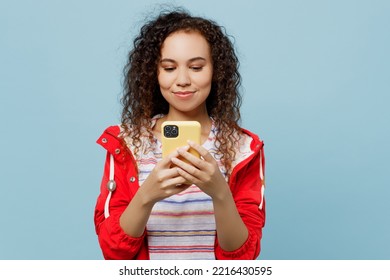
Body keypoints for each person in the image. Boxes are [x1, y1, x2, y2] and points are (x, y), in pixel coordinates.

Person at [94, 9, 266, 260]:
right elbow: (113, 251)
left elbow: (241, 260)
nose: (182, 80)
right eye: (169, 67)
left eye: (196, 67)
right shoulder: (127, 142)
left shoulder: (243, 148)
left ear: (215, 71)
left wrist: (220, 192)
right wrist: (147, 195)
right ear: (154, 73)